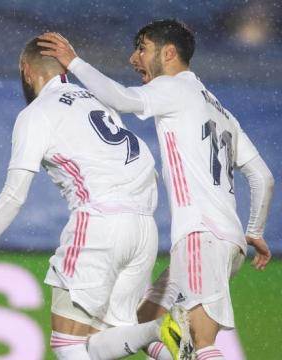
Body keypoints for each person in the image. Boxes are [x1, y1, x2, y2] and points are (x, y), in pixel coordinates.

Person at [0, 36, 185, 360]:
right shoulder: (97, 100)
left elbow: (13, 195)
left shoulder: (38, 113)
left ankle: (156, 329)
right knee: (116, 339)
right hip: (143, 228)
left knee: (68, 346)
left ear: (26, 70)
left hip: (99, 223)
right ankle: (159, 336)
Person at [38, 19, 274, 360]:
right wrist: (254, 231)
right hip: (226, 242)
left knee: (203, 345)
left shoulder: (175, 89)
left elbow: (119, 98)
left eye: (142, 49)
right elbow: (262, 176)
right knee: (146, 324)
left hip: (200, 237)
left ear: (169, 52)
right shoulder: (220, 110)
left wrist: (74, 62)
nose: (134, 59)